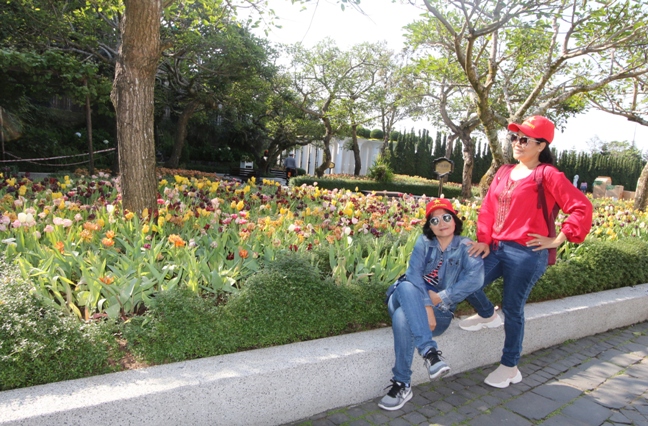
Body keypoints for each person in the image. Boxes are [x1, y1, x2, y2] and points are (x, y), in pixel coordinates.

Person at [459, 115, 593, 388]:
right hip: (497, 248)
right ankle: (487, 314)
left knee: (513, 308)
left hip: (527, 254)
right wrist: (484, 240)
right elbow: (488, 208)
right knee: (465, 280)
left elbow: (581, 206)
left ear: (541, 145)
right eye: (514, 138)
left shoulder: (548, 175)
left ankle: (510, 367)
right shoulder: (504, 171)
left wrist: (558, 239)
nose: (517, 144)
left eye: (524, 139)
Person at [379, 198, 484, 411]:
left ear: (455, 220)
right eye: (434, 220)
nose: (441, 223)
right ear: (430, 226)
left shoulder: (466, 247)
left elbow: (476, 279)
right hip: (404, 298)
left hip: (440, 313)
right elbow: (413, 274)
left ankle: (402, 383)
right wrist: (427, 306)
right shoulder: (423, 242)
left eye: (446, 217)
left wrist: (442, 297)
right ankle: (429, 352)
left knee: (402, 317)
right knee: (407, 286)